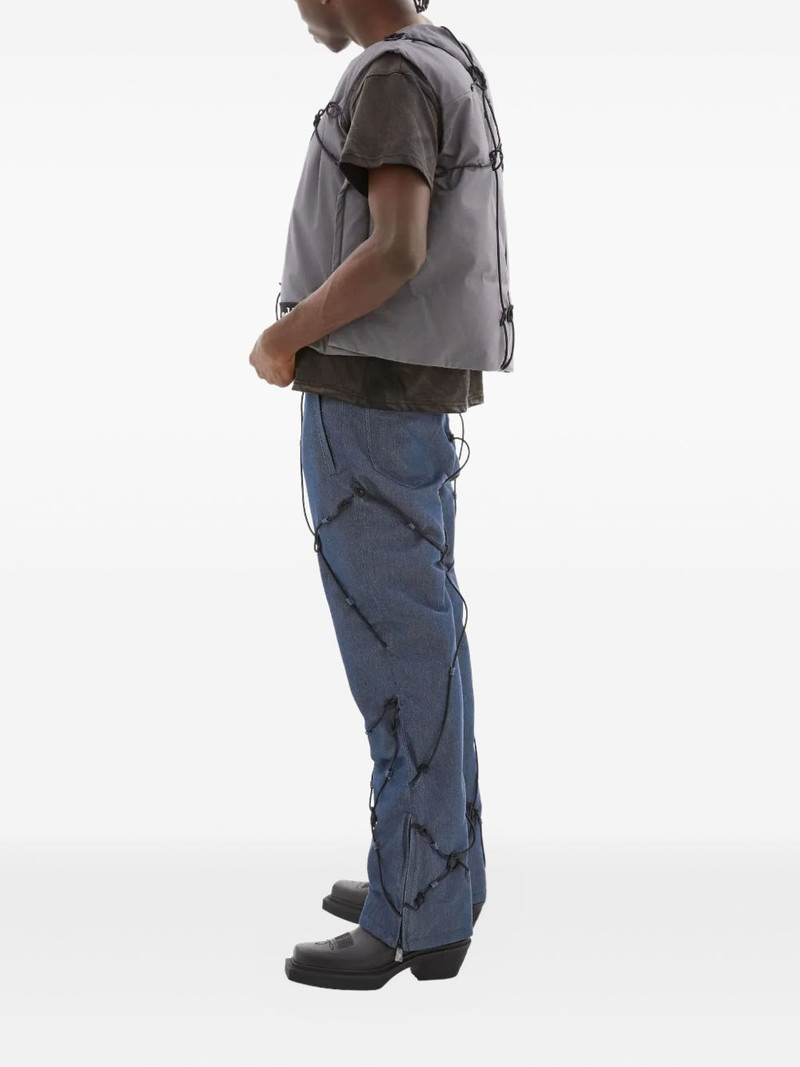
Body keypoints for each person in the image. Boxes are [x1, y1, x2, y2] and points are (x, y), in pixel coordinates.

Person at [248, 0, 513, 990]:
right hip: (406, 398)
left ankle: (412, 911)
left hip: (366, 398)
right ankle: (434, 873)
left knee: (398, 652)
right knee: (425, 640)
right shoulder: (441, 61)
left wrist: (283, 338)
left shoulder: (393, 77)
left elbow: (396, 250)